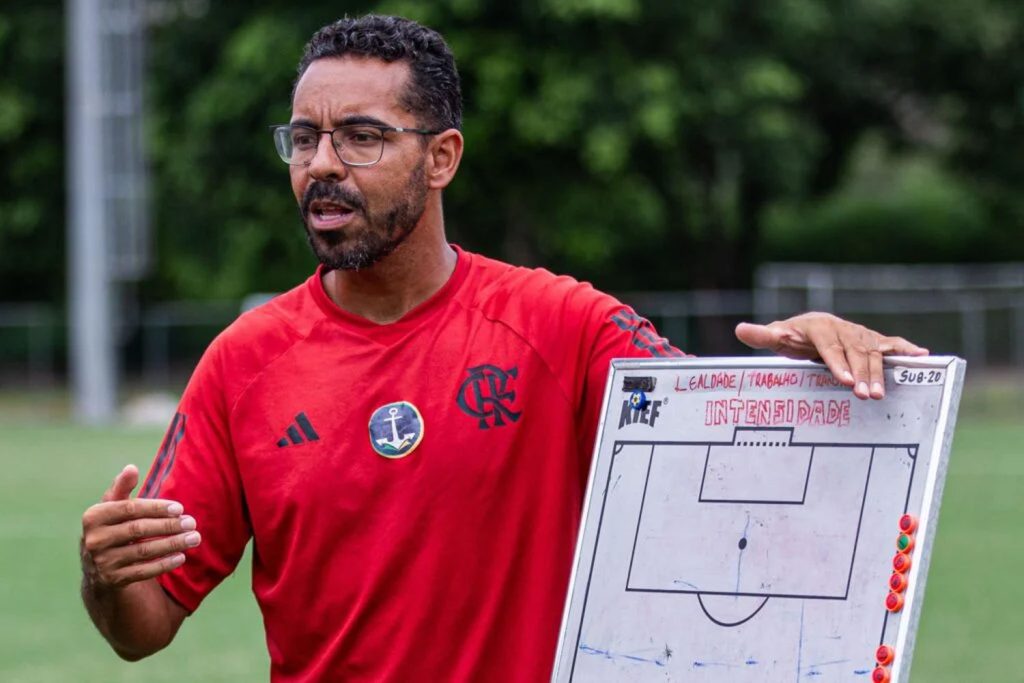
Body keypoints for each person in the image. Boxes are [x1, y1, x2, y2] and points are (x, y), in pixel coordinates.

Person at [78, 15, 927, 682]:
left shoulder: (563, 323)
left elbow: (723, 437)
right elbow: (143, 627)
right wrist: (106, 577)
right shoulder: (244, 361)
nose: (321, 165)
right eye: (304, 138)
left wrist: (816, 366)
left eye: (361, 137)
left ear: (441, 157)